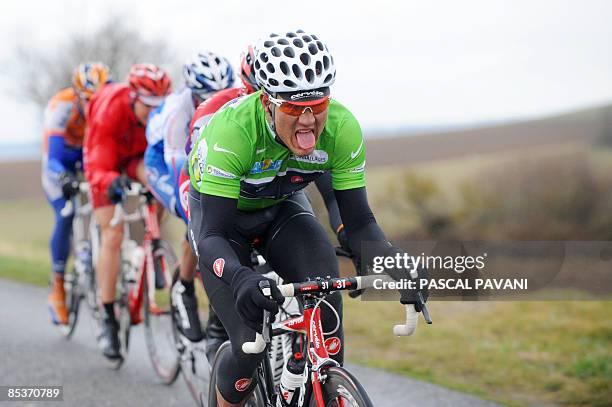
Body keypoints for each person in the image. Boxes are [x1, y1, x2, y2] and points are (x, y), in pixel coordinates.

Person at [187, 30, 427, 406]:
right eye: (294, 108)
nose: (308, 120)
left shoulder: (341, 129)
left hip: (282, 209)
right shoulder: (231, 133)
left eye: (317, 105)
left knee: (326, 295)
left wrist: (393, 260)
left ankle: (322, 388)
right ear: (266, 102)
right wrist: (240, 277)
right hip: (223, 224)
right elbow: (210, 236)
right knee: (249, 346)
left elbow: (359, 223)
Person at [182, 45, 349, 364]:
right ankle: (219, 325)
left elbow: (330, 185)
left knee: (315, 277)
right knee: (225, 267)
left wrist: (350, 234)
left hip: (275, 195)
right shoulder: (218, 113)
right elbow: (195, 183)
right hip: (215, 187)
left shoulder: (310, 125)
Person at [144, 51, 235, 342]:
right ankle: (183, 287)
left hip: (204, 153)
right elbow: (178, 168)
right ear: (193, 93)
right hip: (164, 160)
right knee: (198, 220)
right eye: (207, 96)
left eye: (222, 94)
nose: (215, 102)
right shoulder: (177, 112)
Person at [84, 63, 171, 362]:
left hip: (137, 156)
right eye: (148, 106)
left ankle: (153, 247)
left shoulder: (160, 116)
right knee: (113, 232)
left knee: (160, 183)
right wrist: (111, 182)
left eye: (159, 105)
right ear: (134, 98)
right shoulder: (111, 109)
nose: (153, 112)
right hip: (105, 156)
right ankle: (108, 316)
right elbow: (95, 167)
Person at [42, 62, 110, 325]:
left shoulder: (107, 107)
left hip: (88, 155)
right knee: (65, 214)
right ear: (77, 95)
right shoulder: (62, 107)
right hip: (61, 160)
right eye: (89, 101)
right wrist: (63, 177)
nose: (95, 107)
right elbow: (52, 159)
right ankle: (58, 283)